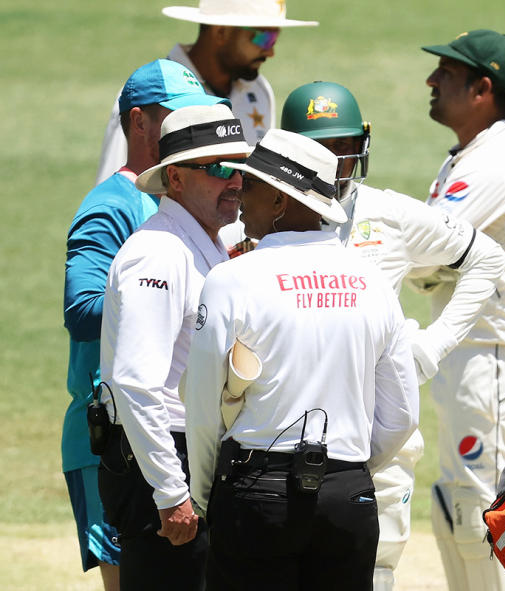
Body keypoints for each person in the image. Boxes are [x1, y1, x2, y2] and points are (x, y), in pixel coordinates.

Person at [280, 81, 505, 590]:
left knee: (372, 575)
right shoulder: (260, 219)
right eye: (322, 150)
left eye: (344, 148)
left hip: (378, 443)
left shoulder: (386, 213)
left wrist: (429, 348)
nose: (336, 163)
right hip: (284, 439)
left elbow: (486, 258)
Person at [183, 129, 419, 590]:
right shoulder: (373, 284)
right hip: (348, 496)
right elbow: (402, 415)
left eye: (249, 184)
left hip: (255, 492)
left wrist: (207, 492)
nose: (238, 191)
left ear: (278, 201)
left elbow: (201, 408)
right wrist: (347, 472)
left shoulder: (231, 279)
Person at [62, 59, 228, 591]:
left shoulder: (191, 211)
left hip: (164, 433)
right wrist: (158, 302)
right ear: (139, 122)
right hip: (119, 435)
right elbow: (81, 307)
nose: (188, 130)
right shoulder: (111, 207)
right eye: (177, 117)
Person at [419, 29, 505, 591]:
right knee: (461, 511)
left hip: (497, 368)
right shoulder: (477, 155)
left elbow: (424, 252)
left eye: (446, 75)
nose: (431, 81)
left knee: (488, 520)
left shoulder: (495, 163)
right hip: (480, 363)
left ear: (483, 88)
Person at [97, 103, 251, 590]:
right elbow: (135, 383)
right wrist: (170, 492)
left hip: (187, 456)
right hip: (162, 464)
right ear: (177, 179)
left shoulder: (196, 245)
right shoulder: (159, 255)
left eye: (240, 168)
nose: (236, 182)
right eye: (219, 168)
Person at [95, 0, 317, 184]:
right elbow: (116, 185)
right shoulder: (148, 98)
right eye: (263, 37)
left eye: (275, 37)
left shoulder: (259, 91)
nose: (271, 51)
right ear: (221, 32)